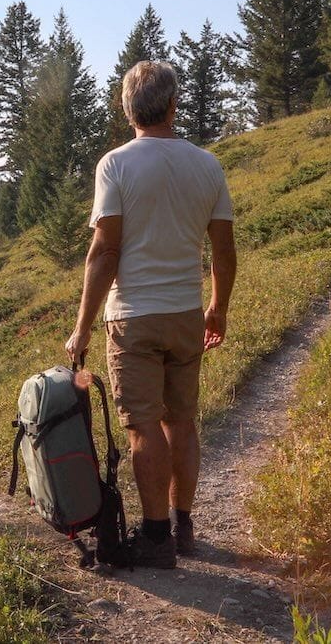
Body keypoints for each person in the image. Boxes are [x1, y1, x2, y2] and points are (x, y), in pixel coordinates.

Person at [64, 60, 236, 568]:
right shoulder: (207, 165)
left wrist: (81, 328)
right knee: (181, 422)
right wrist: (217, 308)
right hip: (186, 312)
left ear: (126, 109)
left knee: (143, 428)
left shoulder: (115, 165)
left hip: (133, 317)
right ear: (173, 105)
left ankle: (156, 538)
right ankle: (183, 527)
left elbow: (104, 252)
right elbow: (223, 252)